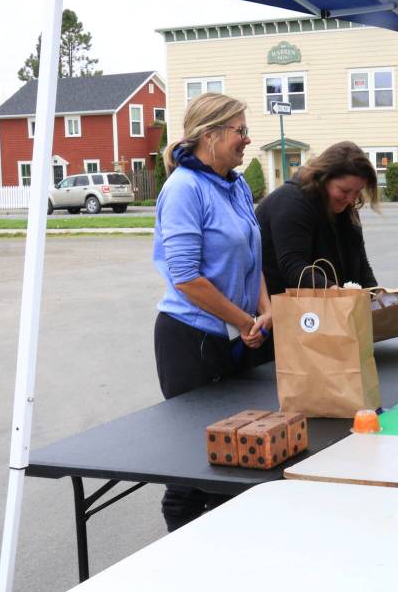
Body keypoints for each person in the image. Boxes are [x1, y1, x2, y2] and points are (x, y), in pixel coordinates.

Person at [152, 92, 272, 531]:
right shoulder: (183, 189)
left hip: (238, 334)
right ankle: (180, 543)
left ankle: (224, 546)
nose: (247, 139)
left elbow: (250, 254)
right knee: (196, 463)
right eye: (240, 131)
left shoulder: (236, 184)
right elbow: (185, 276)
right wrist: (243, 322)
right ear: (211, 135)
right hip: (191, 339)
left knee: (236, 452)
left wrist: (264, 308)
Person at [256, 141, 379, 295]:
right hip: (287, 308)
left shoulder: (345, 206)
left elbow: (360, 262)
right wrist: (337, 293)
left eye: (357, 191)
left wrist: (375, 295)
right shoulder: (291, 202)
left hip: (329, 305)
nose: (351, 199)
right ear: (323, 178)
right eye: (345, 190)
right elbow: (294, 267)